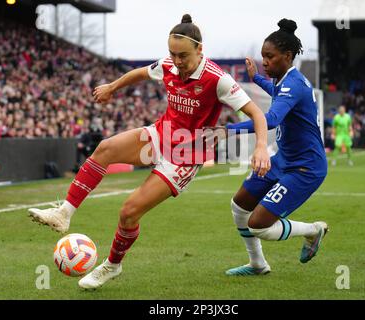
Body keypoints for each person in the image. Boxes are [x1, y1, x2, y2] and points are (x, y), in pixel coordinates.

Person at [28, 14, 270, 289]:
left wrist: (261, 147)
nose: (177, 62)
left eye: (183, 56)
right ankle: (64, 213)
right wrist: (111, 87)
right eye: (172, 54)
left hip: (185, 157)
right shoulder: (168, 66)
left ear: (200, 50)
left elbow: (256, 113)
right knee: (105, 148)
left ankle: (111, 266)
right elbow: (141, 72)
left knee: (128, 213)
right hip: (160, 135)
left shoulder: (219, 79)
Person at [216, 19, 328, 275]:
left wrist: (228, 130)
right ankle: (257, 264)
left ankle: (313, 230)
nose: (265, 61)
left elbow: (271, 119)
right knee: (240, 205)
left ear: (287, 56)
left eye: (270, 56)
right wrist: (256, 78)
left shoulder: (294, 85)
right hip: (282, 160)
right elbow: (275, 90)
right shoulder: (285, 80)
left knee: (258, 225)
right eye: (263, 56)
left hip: (305, 168)